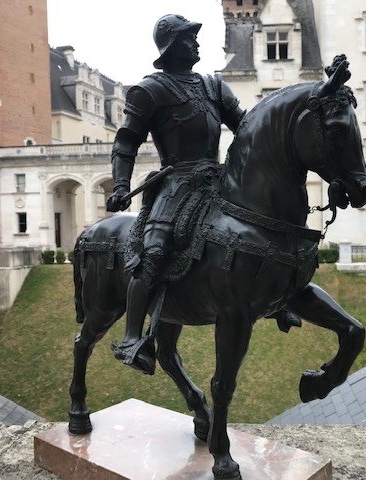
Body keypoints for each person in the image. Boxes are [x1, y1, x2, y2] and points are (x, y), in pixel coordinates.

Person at [106, 14, 245, 374]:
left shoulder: (214, 86)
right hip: (176, 183)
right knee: (152, 251)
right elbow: (126, 141)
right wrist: (121, 185)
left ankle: (278, 296)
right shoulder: (150, 90)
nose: (197, 43)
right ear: (171, 46)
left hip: (219, 180)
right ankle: (132, 338)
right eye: (189, 38)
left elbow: (244, 128)